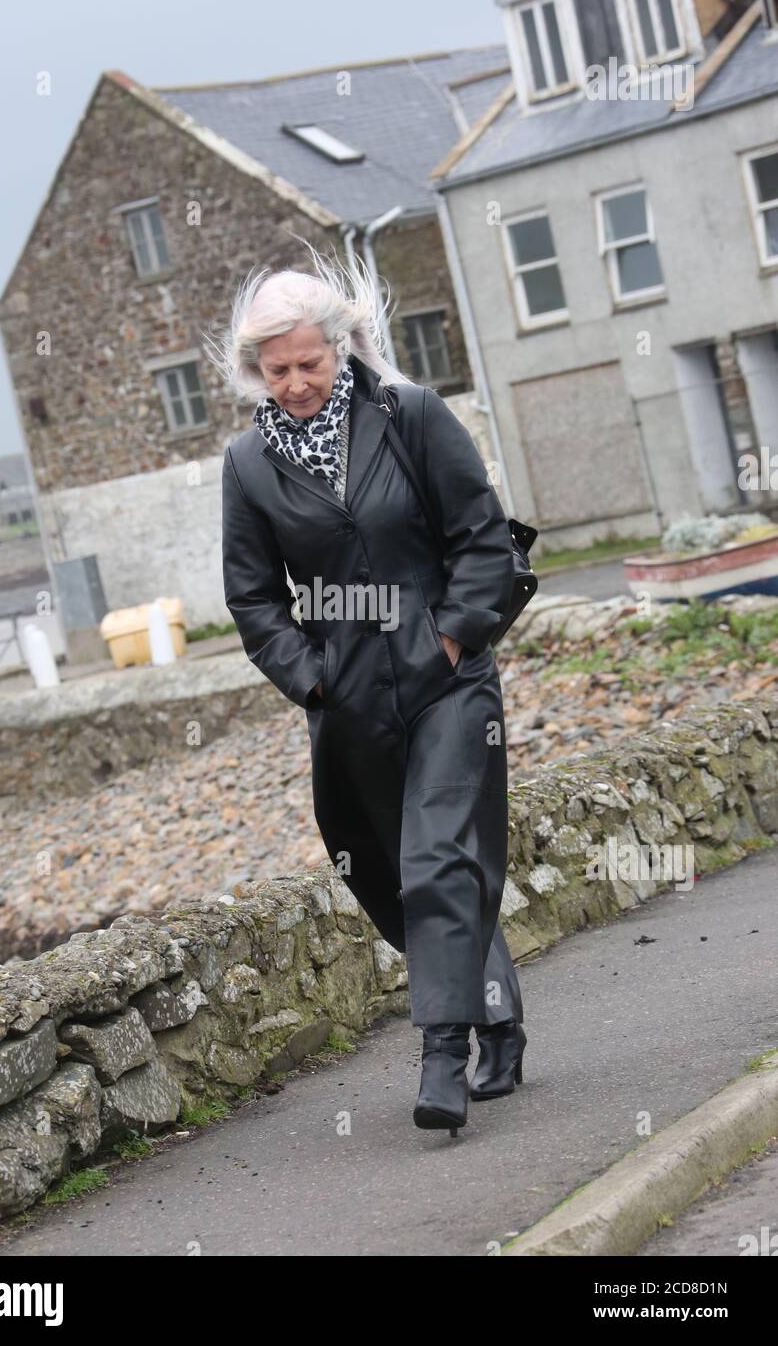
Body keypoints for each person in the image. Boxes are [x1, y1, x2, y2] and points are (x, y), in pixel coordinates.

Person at [214, 243, 525, 1135]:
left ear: (342, 347)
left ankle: (440, 1061)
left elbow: (483, 539)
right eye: (277, 370)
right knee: (399, 874)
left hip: (450, 681)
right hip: (349, 703)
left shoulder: (412, 415)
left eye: (310, 362)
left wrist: (457, 633)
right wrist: (312, 681)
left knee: (435, 855)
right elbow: (253, 597)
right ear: (254, 372)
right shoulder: (247, 466)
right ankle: (494, 1007)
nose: (297, 381)